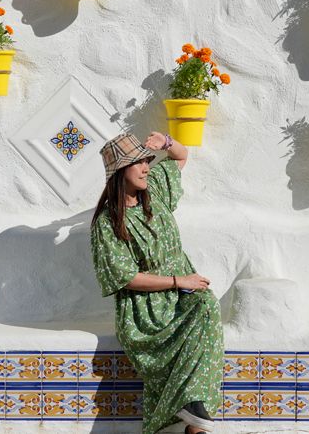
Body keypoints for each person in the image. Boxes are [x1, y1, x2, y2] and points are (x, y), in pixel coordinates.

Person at [90, 131, 223, 434]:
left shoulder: (156, 191)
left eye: (146, 161)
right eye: (137, 163)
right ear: (120, 172)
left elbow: (181, 155)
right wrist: (178, 280)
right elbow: (126, 277)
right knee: (200, 316)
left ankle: (193, 416)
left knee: (207, 306)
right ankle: (194, 423)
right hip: (145, 310)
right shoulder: (108, 223)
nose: (146, 167)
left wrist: (166, 142)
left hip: (182, 291)